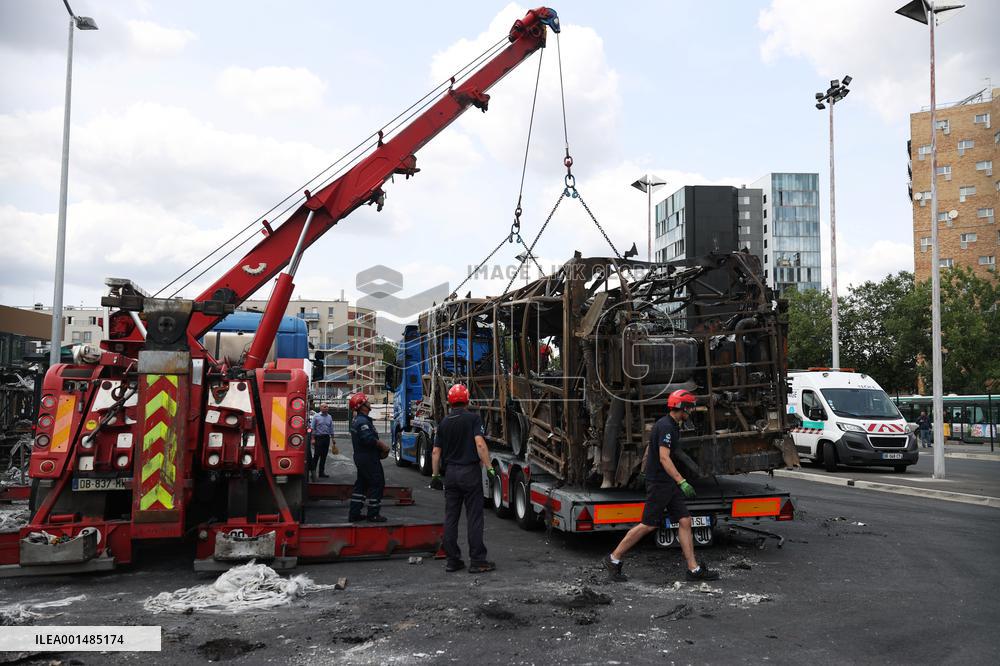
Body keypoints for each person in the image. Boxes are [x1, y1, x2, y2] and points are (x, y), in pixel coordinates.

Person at [603, 389, 719, 582]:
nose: (690, 411)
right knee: (647, 525)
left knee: (685, 521)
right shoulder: (666, 427)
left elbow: (653, 448)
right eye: (689, 407)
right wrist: (681, 481)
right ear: (681, 407)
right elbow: (664, 458)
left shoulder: (671, 425)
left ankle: (693, 569)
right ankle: (613, 559)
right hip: (660, 483)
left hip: (668, 483)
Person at [430, 383, 496, 574]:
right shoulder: (473, 419)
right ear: (467, 400)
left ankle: (453, 560)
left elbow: (435, 452)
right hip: (470, 473)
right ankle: (477, 560)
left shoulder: (443, 423)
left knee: (451, 517)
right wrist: (490, 468)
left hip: (450, 474)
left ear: (450, 402)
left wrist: (435, 475)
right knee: (474, 517)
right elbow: (480, 444)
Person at [348, 393, 387, 522]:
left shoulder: (359, 420)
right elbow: (368, 439)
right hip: (367, 458)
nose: (369, 403)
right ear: (362, 406)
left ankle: (354, 513)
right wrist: (382, 446)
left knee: (362, 484)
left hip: (362, 457)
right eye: (367, 401)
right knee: (377, 483)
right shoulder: (362, 421)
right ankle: (373, 514)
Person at [309, 403, 338, 479]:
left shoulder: (329, 417)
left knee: (324, 456)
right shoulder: (316, 416)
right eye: (325, 407)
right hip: (318, 438)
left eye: (327, 407)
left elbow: (331, 428)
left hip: (326, 438)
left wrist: (333, 438)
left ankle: (321, 473)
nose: (326, 408)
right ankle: (313, 473)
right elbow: (312, 428)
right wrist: (312, 438)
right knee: (316, 456)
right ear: (321, 408)